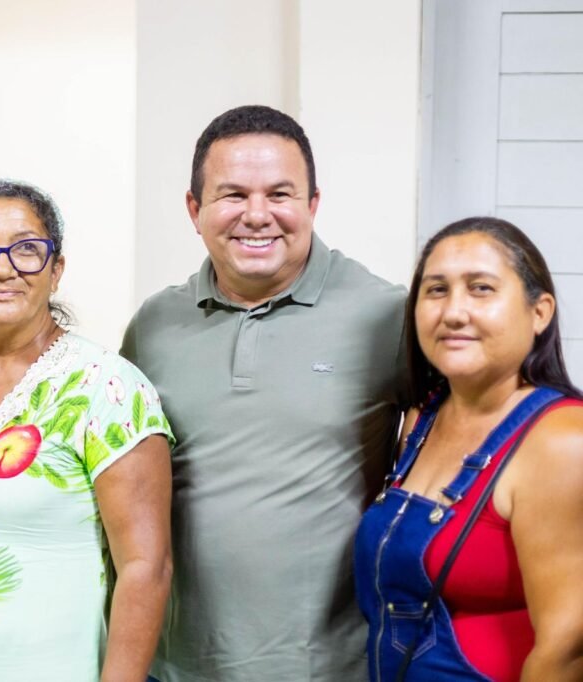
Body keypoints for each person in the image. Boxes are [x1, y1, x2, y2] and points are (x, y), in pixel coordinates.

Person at [121, 105, 407, 681]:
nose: (257, 215)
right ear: (194, 209)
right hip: (175, 667)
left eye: (280, 194)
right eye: (233, 195)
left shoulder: (387, 316)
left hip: (330, 669)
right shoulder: (154, 326)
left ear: (312, 204)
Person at [0, 179, 174, 681]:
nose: (2, 268)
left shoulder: (105, 388)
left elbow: (145, 568)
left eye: (26, 249)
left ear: (56, 270)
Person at [354, 217, 583, 681]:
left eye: (481, 289)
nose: (454, 312)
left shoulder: (562, 441)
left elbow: (566, 650)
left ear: (540, 312)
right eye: (437, 290)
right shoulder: (422, 420)